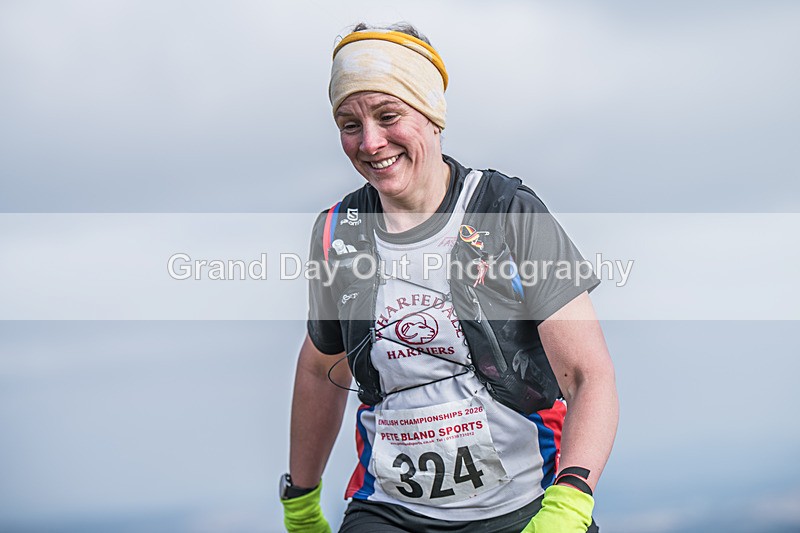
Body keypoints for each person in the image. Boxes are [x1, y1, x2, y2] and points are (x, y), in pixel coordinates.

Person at [280, 22, 619, 533]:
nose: (370, 142)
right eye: (349, 124)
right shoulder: (338, 233)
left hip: (526, 503)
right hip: (390, 512)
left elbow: (589, 376)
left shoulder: (507, 212)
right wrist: (301, 502)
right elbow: (320, 368)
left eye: (388, 116)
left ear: (432, 114)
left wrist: (569, 503)